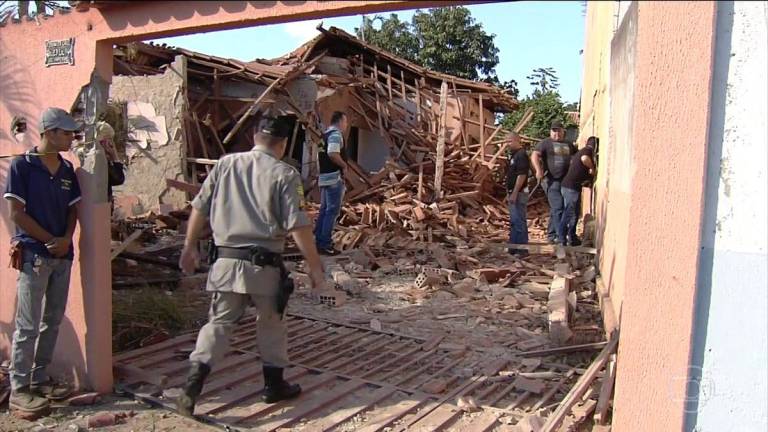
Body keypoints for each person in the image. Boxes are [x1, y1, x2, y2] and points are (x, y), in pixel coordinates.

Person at [175, 113, 327, 417]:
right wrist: (314, 267)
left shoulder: (225, 164)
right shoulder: (285, 174)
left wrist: (189, 247)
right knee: (271, 324)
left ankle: (192, 386)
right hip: (264, 267)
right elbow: (298, 225)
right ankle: (274, 385)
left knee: (218, 324)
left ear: (254, 136)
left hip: (225, 263)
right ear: (282, 144)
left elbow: (199, 209)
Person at [3, 108, 82, 416]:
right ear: (49, 133)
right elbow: (16, 214)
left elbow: (73, 210)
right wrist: (50, 239)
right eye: (66, 133)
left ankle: (39, 378)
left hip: (62, 255)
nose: (71, 138)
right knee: (27, 325)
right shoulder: (22, 166)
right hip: (35, 254)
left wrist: (64, 239)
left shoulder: (66, 170)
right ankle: (19, 390)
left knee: (53, 320)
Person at [531, 120, 577, 244]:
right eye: (554, 130)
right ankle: (559, 236)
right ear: (550, 131)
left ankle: (552, 235)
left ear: (563, 131)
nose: (557, 133)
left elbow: (576, 157)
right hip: (551, 180)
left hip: (566, 181)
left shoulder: (569, 144)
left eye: (559, 130)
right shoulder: (545, 143)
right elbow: (534, 155)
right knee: (558, 207)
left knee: (557, 209)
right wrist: (538, 170)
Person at [314, 111, 349, 255]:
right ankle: (325, 244)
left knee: (324, 210)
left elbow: (319, 157)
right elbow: (332, 153)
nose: (346, 125)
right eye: (345, 121)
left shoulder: (324, 135)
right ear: (340, 121)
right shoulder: (335, 135)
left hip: (324, 177)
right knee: (332, 211)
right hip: (334, 178)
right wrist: (344, 166)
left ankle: (318, 241)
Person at [558, 136, 598, 246]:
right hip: (570, 187)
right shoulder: (587, 150)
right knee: (569, 212)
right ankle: (561, 239)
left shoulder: (580, 151)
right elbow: (585, 159)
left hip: (571, 187)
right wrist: (592, 168)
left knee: (574, 213)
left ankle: (572, 238)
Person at [505, 132, 531, 256]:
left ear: (517, 140)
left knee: (519, 220)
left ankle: (522, 249)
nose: (507, 144)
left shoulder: (521, 155)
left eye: (509, 141)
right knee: (514, 221)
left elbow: (522, 175)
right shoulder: (514, 155)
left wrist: (515, 192)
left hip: (519, 193)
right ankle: (513, 247)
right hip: (513, 192)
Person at [94, 121, 125, 209]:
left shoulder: (103, 159)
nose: (110, 143)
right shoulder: (98, 159)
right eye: (108, 140)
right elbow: (118, 179)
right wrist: (114, 155)